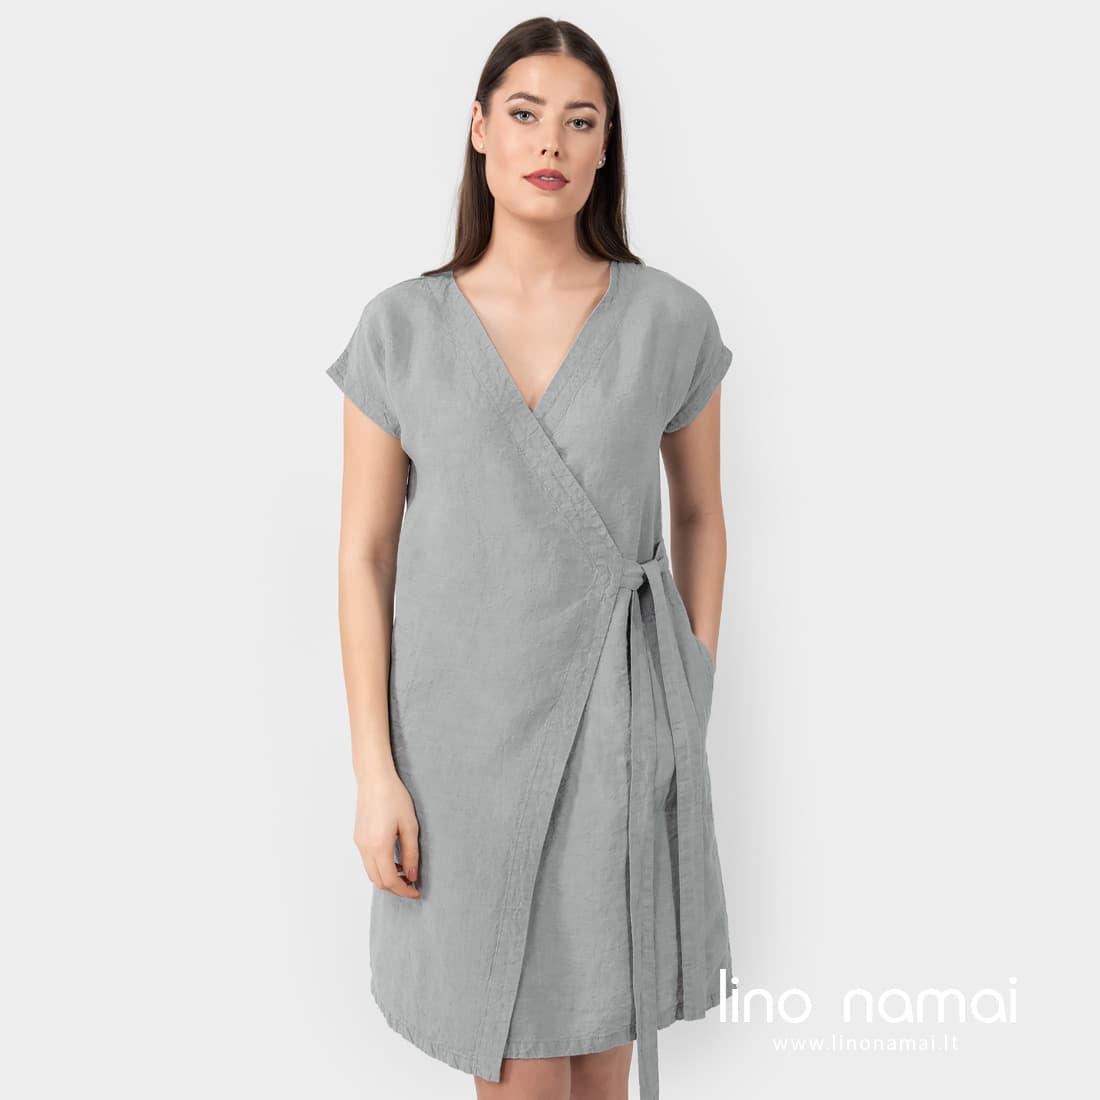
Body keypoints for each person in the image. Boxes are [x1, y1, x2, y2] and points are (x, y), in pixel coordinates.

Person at [326, 17, 736, 1100]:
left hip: (621, 728)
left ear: (606, 147)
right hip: (457, 750)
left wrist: (688, 684)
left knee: (601, 1054)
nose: (550, 140)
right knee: (514, 1061)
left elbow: (700, 515)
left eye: (580, 120)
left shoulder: (669, 319)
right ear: (479, 129)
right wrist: (374, 771)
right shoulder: (400, 329)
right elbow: (364, 553)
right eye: (523, 112)